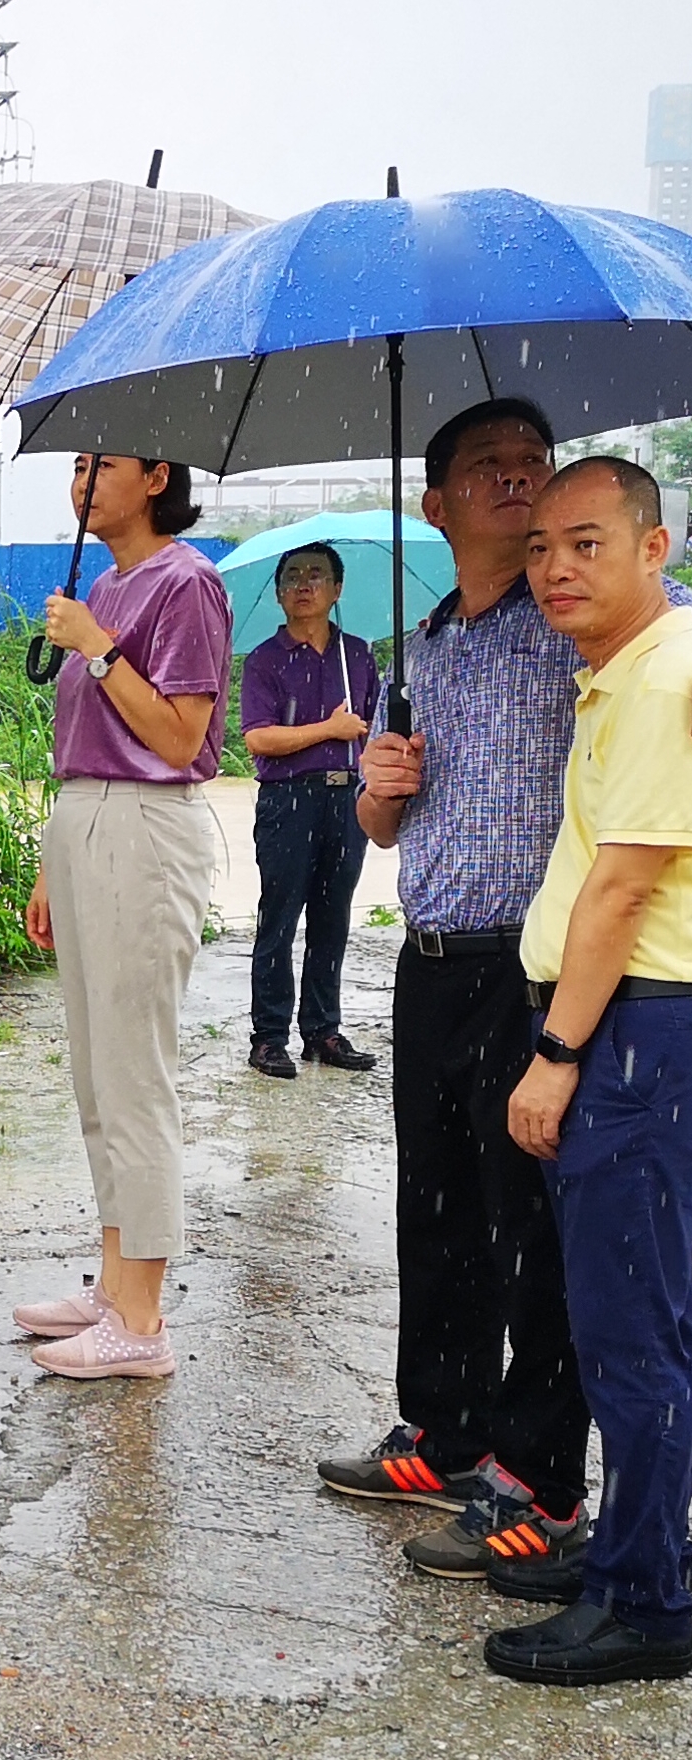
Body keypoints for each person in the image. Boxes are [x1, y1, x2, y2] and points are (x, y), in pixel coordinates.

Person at [318, 399, 593, 1587]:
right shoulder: (420, 646)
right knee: (433, 1211)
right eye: (488, 467)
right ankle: (443, 1430)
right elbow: (383, 827)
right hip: (428, 960)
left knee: (533, 1229)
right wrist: (379, 784)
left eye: (532, 463)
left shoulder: (581, 630)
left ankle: (537, 1480)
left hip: (532, 970)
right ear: (433, 505)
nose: (518, 480)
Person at [483, 458, 692, 1687]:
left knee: (631, 1326)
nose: (556, 567)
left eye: (586, 544)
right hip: (624, 1026)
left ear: (652, 547)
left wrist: (556, 1052)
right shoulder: (617, 677)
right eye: (542, 547)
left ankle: (648, 1597)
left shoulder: (662, 677)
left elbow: (623, 884)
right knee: (633, 1310)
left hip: (634, 1033)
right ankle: (634, 1540)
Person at [13, 456, 229, 1379]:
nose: (82, 480)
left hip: (145, 826)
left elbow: (181, 736)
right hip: (88, 820)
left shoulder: (186, 583)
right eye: (75, 465)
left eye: (102, 465)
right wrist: (52, 863)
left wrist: (99, 648)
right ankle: (112, 1285)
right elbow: (87, 742)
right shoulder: (103, 581)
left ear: (154, 478)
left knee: (136, 1075)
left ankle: (140, 1323)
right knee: (98, 1076)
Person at [239, 541, 381, 1078]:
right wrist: (329, 729)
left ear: (336, 590)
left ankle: (323, 1030)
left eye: (317, 575)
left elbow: (373, 726)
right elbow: (259, 739)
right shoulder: (266, 661)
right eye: (293, 576)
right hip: (288, 800)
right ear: (279, 594)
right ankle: (269, 1036)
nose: (304, 584)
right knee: (279, 916)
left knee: (333, 916)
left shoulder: (359, 656)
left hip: (347, 797)